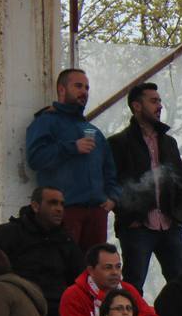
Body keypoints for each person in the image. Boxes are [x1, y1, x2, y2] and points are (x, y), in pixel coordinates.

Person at [25, 68, 121, 250]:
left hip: (96, 213)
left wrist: (112, 198)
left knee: (93, 273)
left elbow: (110, 171)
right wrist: (72, 147)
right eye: (78, 86)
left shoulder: (95, 133)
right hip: (65, 211)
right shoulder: (46, 122)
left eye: (86, 87)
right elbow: (36, 158)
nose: (84, 91)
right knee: (64, 270)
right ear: (61, 89)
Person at [107, 82, 182, 291]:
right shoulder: (119, 142)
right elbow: (113, 184)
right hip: (138, 227)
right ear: (137, 106)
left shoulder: (168, 143)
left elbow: (180, 181)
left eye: (160, 101)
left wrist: (180, 217)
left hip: (170, 224)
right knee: (133, 284)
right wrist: (130, 217)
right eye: (153, 101)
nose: (159, 106)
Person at [0, 187, 82, 316]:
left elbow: (79, 279)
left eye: (62, 204)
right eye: (53, 203)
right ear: (35, 206)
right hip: (18, 305)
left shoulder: (66, 242)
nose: (59, 209)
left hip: (56, 308)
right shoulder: (8, 234)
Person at [60, 243, 161, 316]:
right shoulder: (74, 295)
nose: (115, 272)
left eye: (118, 266)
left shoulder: (128, 290)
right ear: (91, 270)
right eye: (108, 267)